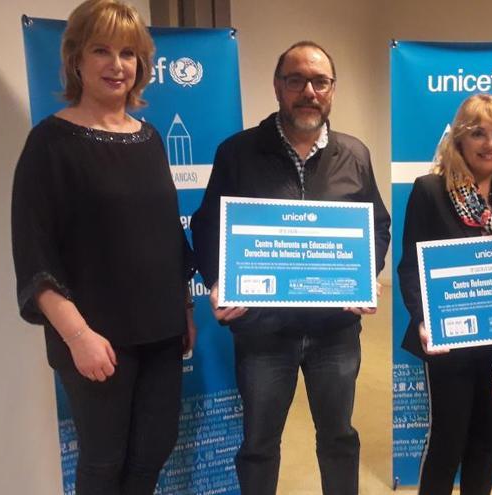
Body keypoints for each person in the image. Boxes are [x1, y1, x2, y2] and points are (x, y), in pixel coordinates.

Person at [190, 41, 391, 495]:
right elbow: (207, 226)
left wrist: (367, 275)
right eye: (296, 79)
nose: (309, 91)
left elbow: (376, 223)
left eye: (320, 81)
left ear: (332, 90)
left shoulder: (354, 153)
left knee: (339, 437)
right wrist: (217, 283)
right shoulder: (238, 152)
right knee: (259, 443)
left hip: (335, 332)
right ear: (278, 87)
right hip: (264, 331)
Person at [11, 1, 195, 493]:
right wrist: (77, 337)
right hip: (96, 339)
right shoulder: (49, 143)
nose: (117, 65)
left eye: (128, 53)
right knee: (103, 462)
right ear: (76, 59)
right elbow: (34, 255)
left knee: (153, 450)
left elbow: (165, 234)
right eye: (102, 51)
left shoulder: (151, 138)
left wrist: (184, 309)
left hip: (161, 332)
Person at [396, 93, 492, 495]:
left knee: (486, 443)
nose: (490, 144)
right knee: (447, 443)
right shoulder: (429, 190)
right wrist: (424, 319)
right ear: (459, 140)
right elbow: (411, 268)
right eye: (478, 133)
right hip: (450, 341)